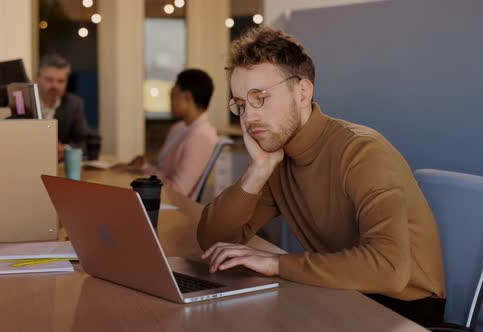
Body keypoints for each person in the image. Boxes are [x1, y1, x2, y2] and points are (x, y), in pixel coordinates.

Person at [197, 27, 446, 326]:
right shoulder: (278, 155)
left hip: (404, 311)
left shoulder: (362, 152)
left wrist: (276, 262)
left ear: (303, 92)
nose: (249, 117)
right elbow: (213, 240)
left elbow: (389, 269)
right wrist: (258, 170)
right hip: (344, 293)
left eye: (260, 97)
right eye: (241, 104)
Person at [115, 69, 218, 197]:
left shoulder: (202, 137)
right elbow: (162, 168)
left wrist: (147, 167)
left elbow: (178, 191)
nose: (170, 101)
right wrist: (145, 164)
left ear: (188, 97)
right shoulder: (179, 127)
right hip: (158, 194)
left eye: (173, 95)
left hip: (173, 206)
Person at [36, 54, 93, 160]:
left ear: (66, 82)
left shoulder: (74, 104)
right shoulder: (24, 101)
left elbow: (85, 143)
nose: (55, 86)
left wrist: (65, 149)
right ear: (37, 78)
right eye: (49, 80)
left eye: (60, 81)